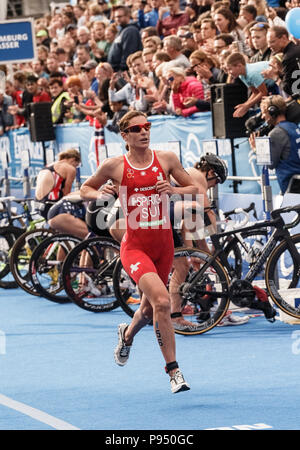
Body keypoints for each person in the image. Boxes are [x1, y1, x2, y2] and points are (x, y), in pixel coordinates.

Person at [80, 110, 198, 393]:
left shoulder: (166, 159)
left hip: (164, 243)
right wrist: (101, 195)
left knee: (147, 310)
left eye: (147, 126)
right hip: (135, 245)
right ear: (125, 136)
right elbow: (85, 188)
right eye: (137, 129)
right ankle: (174, 372)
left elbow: (195, 187)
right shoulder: (114, 166)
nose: (144, 132)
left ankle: (127, 334)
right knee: (162, 301)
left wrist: (174, 189)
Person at [249, 95, 300, 194]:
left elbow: (270, 164)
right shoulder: (293, 126)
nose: (263, 117)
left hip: (292, 187)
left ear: (273, 111)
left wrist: (256, 149)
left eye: (264, 113)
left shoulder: (276, 133)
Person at [35, 148, 81, 220]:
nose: (75, 167)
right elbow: (66, 194)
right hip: (51, 205)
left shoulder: (48, 165)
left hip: (38, 204)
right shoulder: (70, 168)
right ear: (73, 159)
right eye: (76, 165)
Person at [225, 52, 270, 117]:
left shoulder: (252, 73)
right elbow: (255, 92)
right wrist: (245, 105)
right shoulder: (241, 75)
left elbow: (263, 92)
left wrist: (247, 106)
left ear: (239, 66)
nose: (229, 73)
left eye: (230, 69)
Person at [266, 25, 300, 99]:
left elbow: (292, 90)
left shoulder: (288, 57)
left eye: (272, 42)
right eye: (268, 43)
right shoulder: (297, 49)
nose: (269, 46)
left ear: (284, 38)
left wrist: (275, 77)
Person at [107, 5, 143, 72]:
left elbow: (129, 53)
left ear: (128, 16)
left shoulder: (130, 31)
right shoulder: (122, 30)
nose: (117, 19)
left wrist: (122, 70)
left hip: (123, 71)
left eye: (120, 16)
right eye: (116, 17)